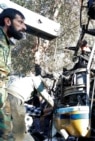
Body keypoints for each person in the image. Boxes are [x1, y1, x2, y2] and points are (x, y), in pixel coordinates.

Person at [0, 8, 27, 140]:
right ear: (8, 21)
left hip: (3, 94)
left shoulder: (6, 43)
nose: (24, 27)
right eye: (20, 22)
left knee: (7, 134)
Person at [6, 74, 54, 141]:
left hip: (8, 96)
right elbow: (44, 94)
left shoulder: (25, 81)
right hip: (15, 97)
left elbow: (27, 108)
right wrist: (53, 105)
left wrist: (45, 111)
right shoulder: (36, 80)